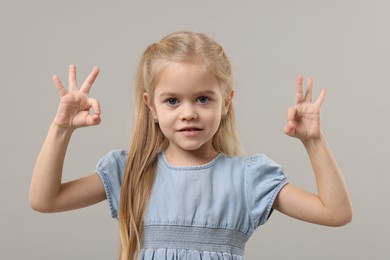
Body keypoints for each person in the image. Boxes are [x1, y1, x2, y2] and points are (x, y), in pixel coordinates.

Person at [30, 31, 352, 260]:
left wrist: (313, 141)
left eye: (202, 99)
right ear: (151, 107)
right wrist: (61, 128)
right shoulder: (132, 172)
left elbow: (335, 213)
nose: (188, 113)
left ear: (226, 103)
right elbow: (45, 199)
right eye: (172, 100)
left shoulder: (248, 178)